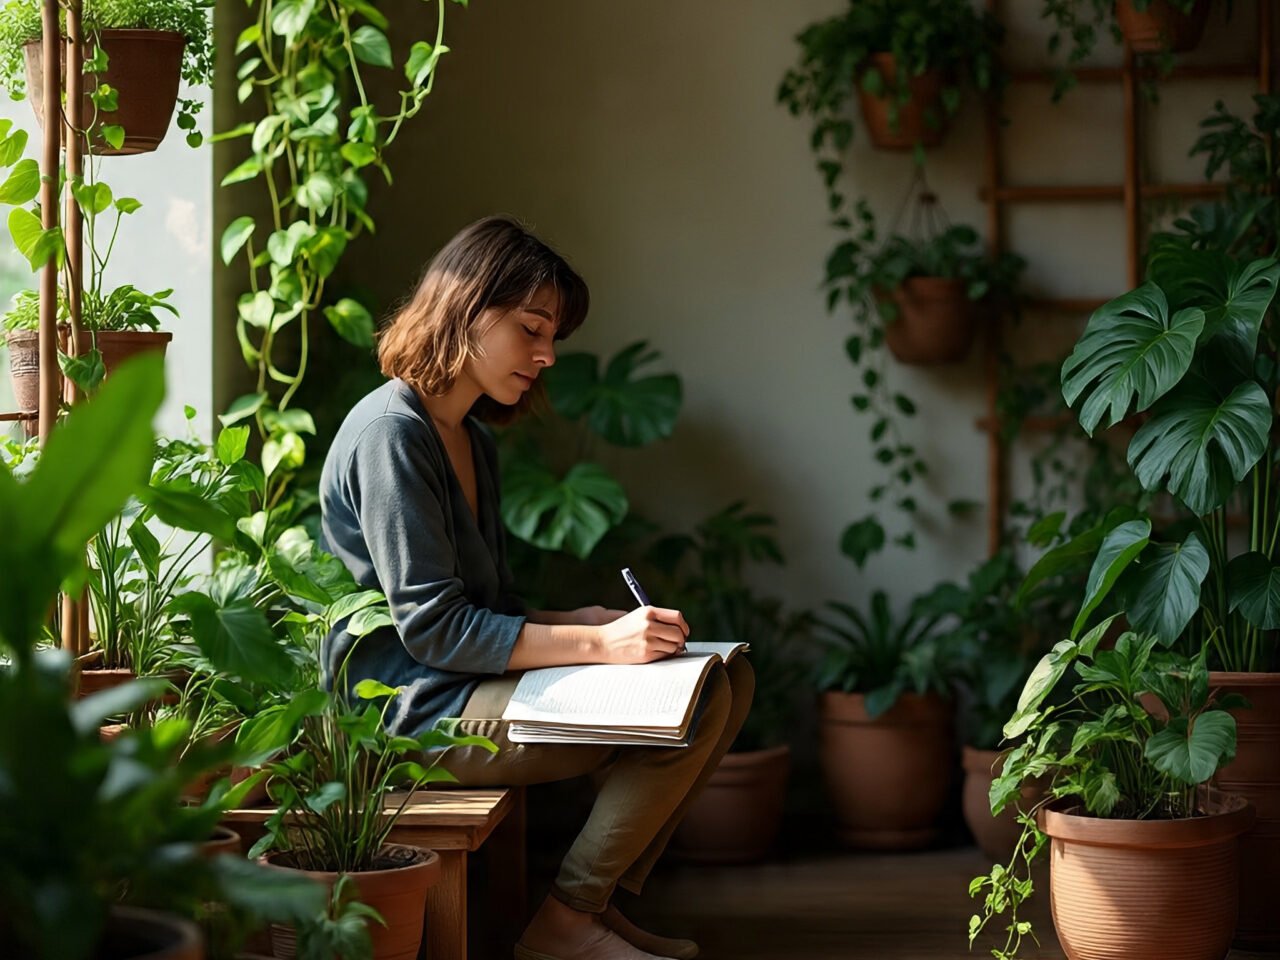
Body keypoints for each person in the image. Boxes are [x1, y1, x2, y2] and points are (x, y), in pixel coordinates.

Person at [319, 215, 755, 960]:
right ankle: (568, 920)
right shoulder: (391, 434)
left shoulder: (469, 437)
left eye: (552, 336)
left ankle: (592, 907)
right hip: (408, 710)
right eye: (531, 330)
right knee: (698, 700)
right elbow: (434, 631)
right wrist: (598, 643)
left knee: (726, 677)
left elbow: (483, 610)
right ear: (466, 309)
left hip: (459, 682)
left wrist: (577, 618)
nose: (548, 355)